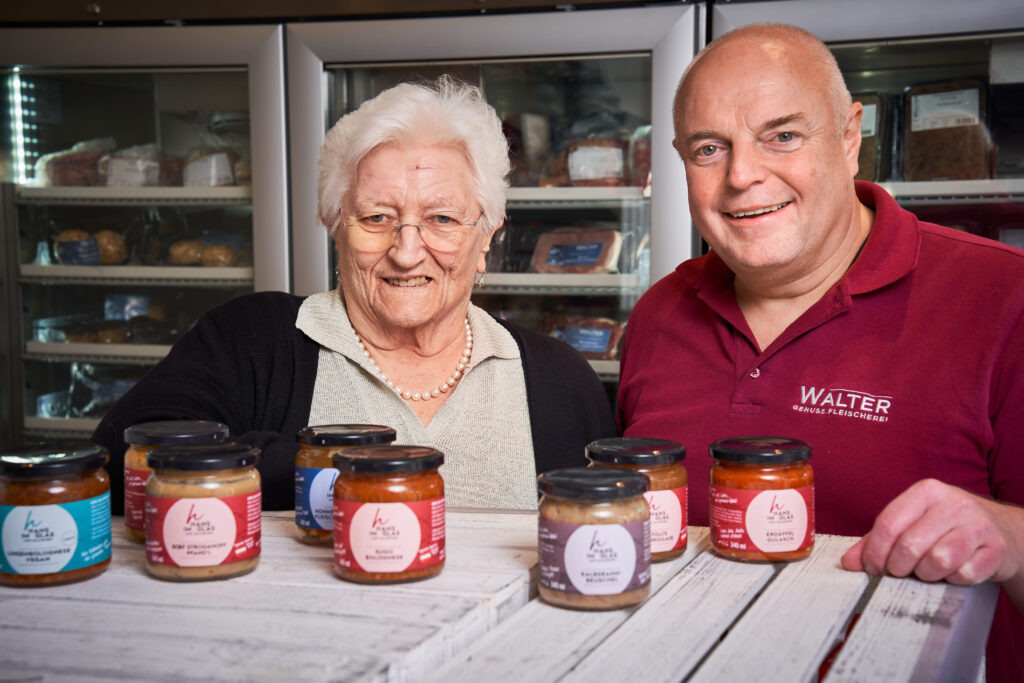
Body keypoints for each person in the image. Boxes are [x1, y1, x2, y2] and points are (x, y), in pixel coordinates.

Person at [616, 24, 1023, 681]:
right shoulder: (660, 314)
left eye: (782, 135)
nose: (742, 176)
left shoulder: (1005, 300)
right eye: (709, 148)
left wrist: (1007, 535)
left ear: (848, 135)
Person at [93, 76, 615, 511]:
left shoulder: (559, 381)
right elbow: (124, 458)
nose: (407, 251)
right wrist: (323, 468)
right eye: (377, 218)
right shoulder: (251, 341)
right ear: (334, 224)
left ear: (485, 238)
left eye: (441, 219)